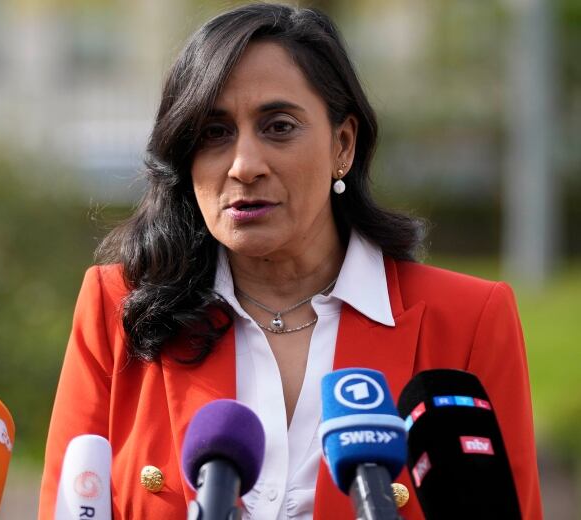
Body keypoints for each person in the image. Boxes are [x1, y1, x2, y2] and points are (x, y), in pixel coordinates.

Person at [39, 4, 542, 519]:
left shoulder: (469, 321)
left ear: (342, 145)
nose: (244, 165)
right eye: (214, 133)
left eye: (278, 127)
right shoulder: (119, 309)